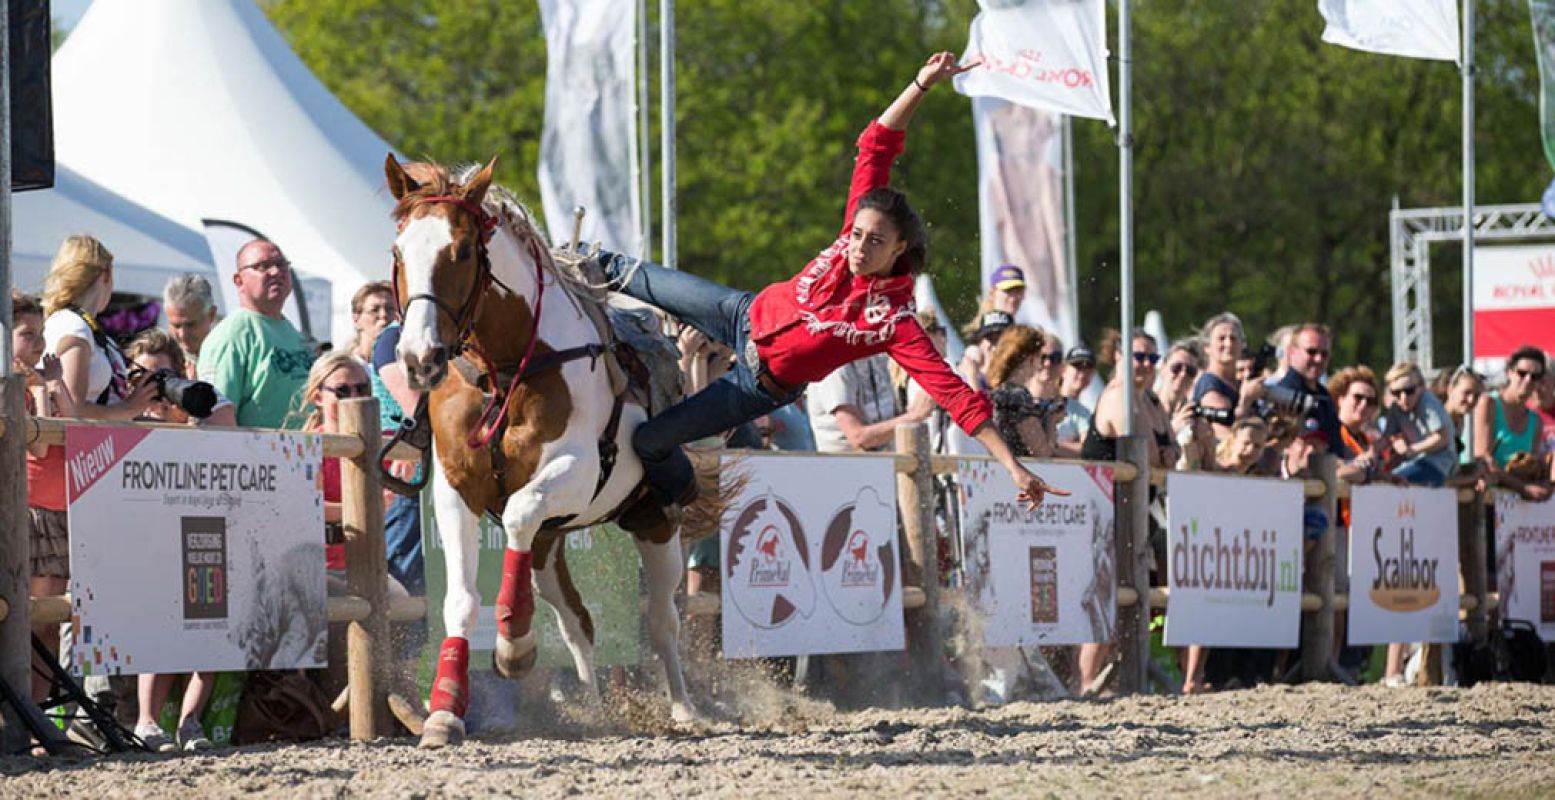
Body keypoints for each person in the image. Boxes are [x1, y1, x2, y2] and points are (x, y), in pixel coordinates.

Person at [593, 53, 1063, 511]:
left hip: (758, 385)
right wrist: (920, 84)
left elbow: (956, 395)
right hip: (740, 311)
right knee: (619, 269)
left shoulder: (893, 322)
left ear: (900, 249)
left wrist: (1013, 466)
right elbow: (875, 144)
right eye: (857, 234)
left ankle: (686, 503)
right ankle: (552, 260)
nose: (859, 247)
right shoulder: (850, 236)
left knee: (650, 440)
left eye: (875, 241)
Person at [27, 237, 159, 704]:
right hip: (56, 487)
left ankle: (38, 717)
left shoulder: (77, 326)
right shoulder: (76, 329)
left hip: (68, 483)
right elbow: (74, 409)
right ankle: (35, 717)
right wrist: (130, 408)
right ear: (105, 277)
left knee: (48, 614)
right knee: (44, 613)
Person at [122, 330, 234, 751]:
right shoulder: (123, 412)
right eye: (147, 378)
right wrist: (138, 410)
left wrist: (187, 407)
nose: (157, 387)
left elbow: (228, 427)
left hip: (204, 527)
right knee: (159, 628)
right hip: (152, 534)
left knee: (210, 626)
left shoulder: (202, 402)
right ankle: (147, 722)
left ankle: (191, 723)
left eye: (164, 376)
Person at [197, 239, 315, 429]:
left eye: (281, 264)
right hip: (260, 455)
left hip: (304, 453)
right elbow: (216, 416)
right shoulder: (230, 336)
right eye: (263, 266)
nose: (276, 272)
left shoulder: (291, 331)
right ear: (239, 280)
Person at [1473, 346, 1551, 500]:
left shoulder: (1536, 421)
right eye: (1522, 373)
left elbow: (1532, 467)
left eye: (1535, 376)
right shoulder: (1488, 403)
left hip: (1515, 505)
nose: (1528, 380)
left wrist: (1545, 483)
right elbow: (1482, 458)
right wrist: (1522, 487)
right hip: (1484, 498)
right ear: (1509, 372)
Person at [1377, 362, 1456, 488]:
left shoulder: (1427, 402)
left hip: (1437, 464)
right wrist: (1369, 453)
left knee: (1392, 482)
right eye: (1396, 393)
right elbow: (1387, 437)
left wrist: (1411, 450)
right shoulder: (1396, 406)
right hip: (1415, 462)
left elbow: (1442, 438)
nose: (1403, 398)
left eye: (1409, 391)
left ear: (1421, 387)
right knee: (1385, 479)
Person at [986, 326, 1058, 458]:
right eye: (1041, 357)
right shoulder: (1018, 396)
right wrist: (1052, 420)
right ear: (1031, 358)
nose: (1043, 363)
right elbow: (1043, 452)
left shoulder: (998, 391)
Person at [1275, 323, 1344, 457]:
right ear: (1291, 353)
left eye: (1324, 354)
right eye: (1311, 352)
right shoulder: (1282, 394)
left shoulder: (1324, 396)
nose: (1318, 359)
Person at [1194, 312, 1266, 439]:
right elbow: (1224, 434)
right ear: (1207, 347)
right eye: (1221, 338)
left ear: (1242, 345)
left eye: (1233, 338)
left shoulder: (1238, 384)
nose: (1229, 344)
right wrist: (1246, 402)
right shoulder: (1210, 384)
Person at [1330, 366, 1384, 484]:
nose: (1364, 404)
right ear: (1341, 399)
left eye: (1370, 401)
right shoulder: (1329, 432)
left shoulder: (1369, 442)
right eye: (1358, 397)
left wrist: (1388, 478)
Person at [162, 274, 220, 378]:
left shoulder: (228, 358)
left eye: (190, 325)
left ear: (212, 314)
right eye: (176, 325)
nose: (182, 334)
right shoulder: (160, 361)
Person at [958, 310, 1014, 392]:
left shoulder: (1022, 381)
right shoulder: (965, 379)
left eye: (1002, 340)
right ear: (979, 343)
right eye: (990, 339)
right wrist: (972, 376)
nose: (995, 347)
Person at [1055, 345, 1095, 457]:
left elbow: (1087, 449)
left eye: (1088, 368)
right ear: (1064, 369)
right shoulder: (1043, 400)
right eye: (1077, 366)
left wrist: (1051, 446)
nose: (1082, 374)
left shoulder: (1084, 413)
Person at [349, 281, 398, 366]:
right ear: (356, 320)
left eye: (390, 309)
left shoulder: (403, 366)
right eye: (374, 310)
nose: (384, 315)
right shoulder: (348, 368)